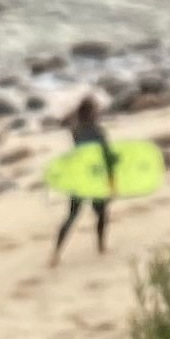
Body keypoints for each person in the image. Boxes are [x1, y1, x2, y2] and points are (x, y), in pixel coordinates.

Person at [50, 89, 116, 263]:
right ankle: (101, 246)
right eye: (96, 109)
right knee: (101, 214)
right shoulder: (98, 132)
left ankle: (55, 254)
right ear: (92, 113)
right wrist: (111, 180)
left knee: (71, 216)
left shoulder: (75, 131)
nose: (98, 112)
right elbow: (107, 157)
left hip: (79, 178)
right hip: (95, 178)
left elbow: (79, 151)